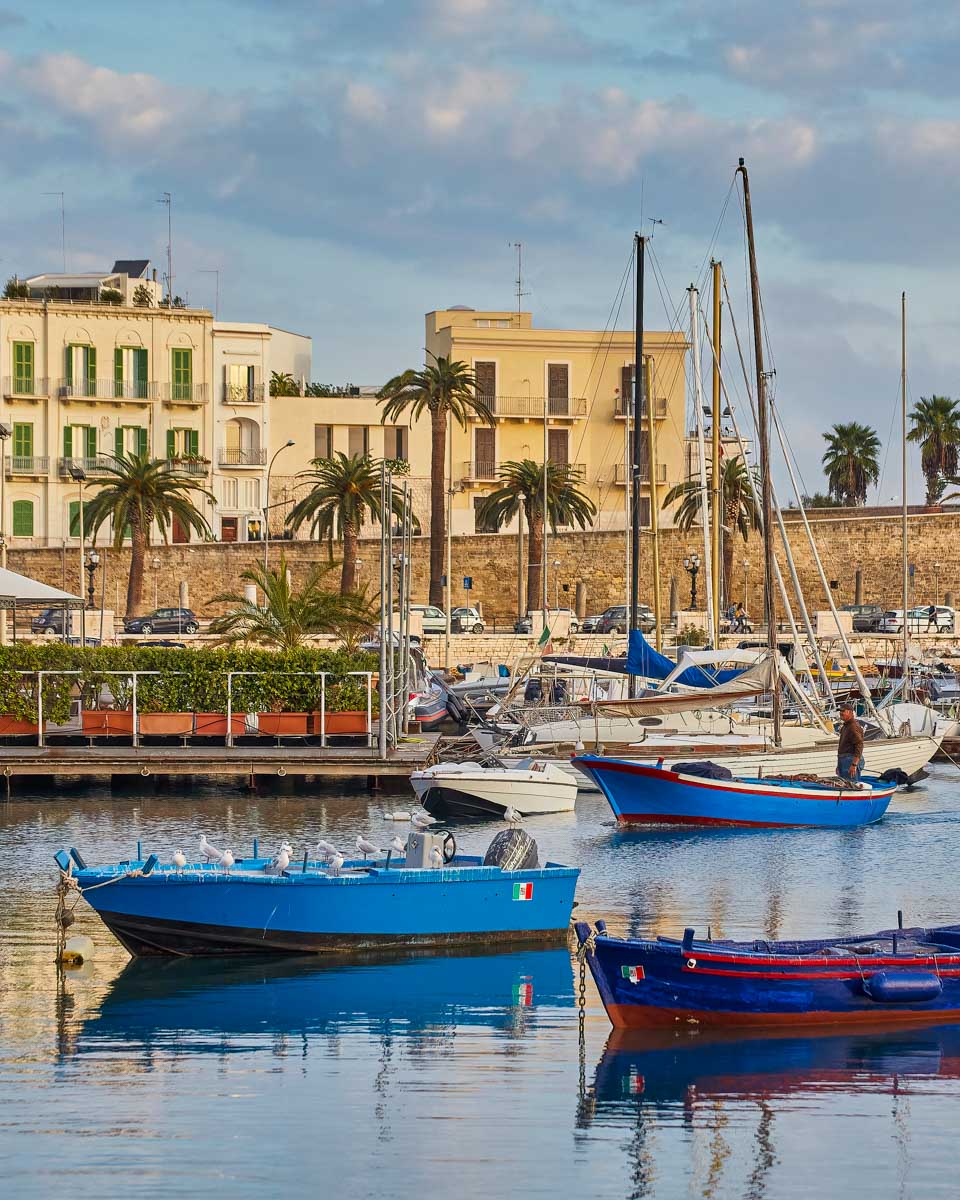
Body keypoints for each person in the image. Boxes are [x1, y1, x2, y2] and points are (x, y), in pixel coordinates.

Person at [836, 701, 864, 781]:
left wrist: (854, 764)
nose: (841, 713)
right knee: (845, 784)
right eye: (840, 711)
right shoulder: (846, 726)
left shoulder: (853, 727)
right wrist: (839, 765)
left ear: (850, 712)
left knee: (852, 785)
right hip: (844, 760)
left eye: (843, 711)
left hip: (850, 760)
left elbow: (859, 745)